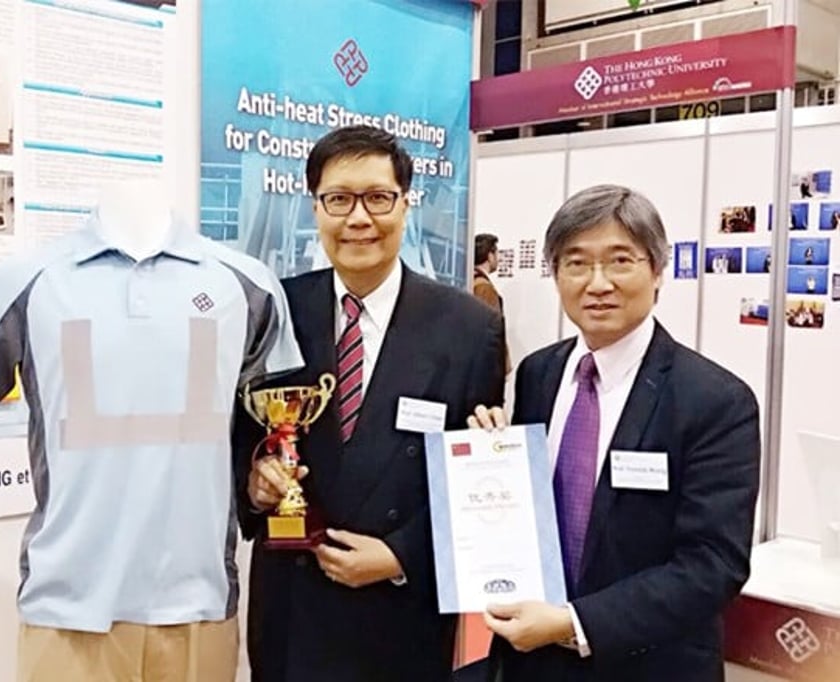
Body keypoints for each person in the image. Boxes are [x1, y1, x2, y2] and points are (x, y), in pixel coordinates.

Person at [0, 178, 304, 682]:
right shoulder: (20, 282)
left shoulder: (249, 285)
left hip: (199, 600)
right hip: (66, 603)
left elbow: (265, 426)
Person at [234, 125, 506, 682]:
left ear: (406, 203)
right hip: (293, 603)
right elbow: (239, 437)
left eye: (378, 198)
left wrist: (404, 556)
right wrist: (255, 482)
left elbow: (474, 479)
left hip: (399, 613)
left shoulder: (469, 328)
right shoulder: (276, 308)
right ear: (315, 207)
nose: (359, 219)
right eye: (338, 199)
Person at [476, 184, 760, 682]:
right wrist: (489, 458)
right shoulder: (538, 374)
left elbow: (713, 564)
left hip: (649, 663)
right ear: (557, 274)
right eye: (576, 263)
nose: (597, 282)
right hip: (530, 663)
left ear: (656, 271)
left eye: (620, 261)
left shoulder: (715, 400)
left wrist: (574, 623)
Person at [473, 233, 512, 374]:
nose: (499, 258)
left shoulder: (469, 280)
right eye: (497, 253)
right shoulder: (483, 287)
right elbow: (490, 331)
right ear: (490, 256)